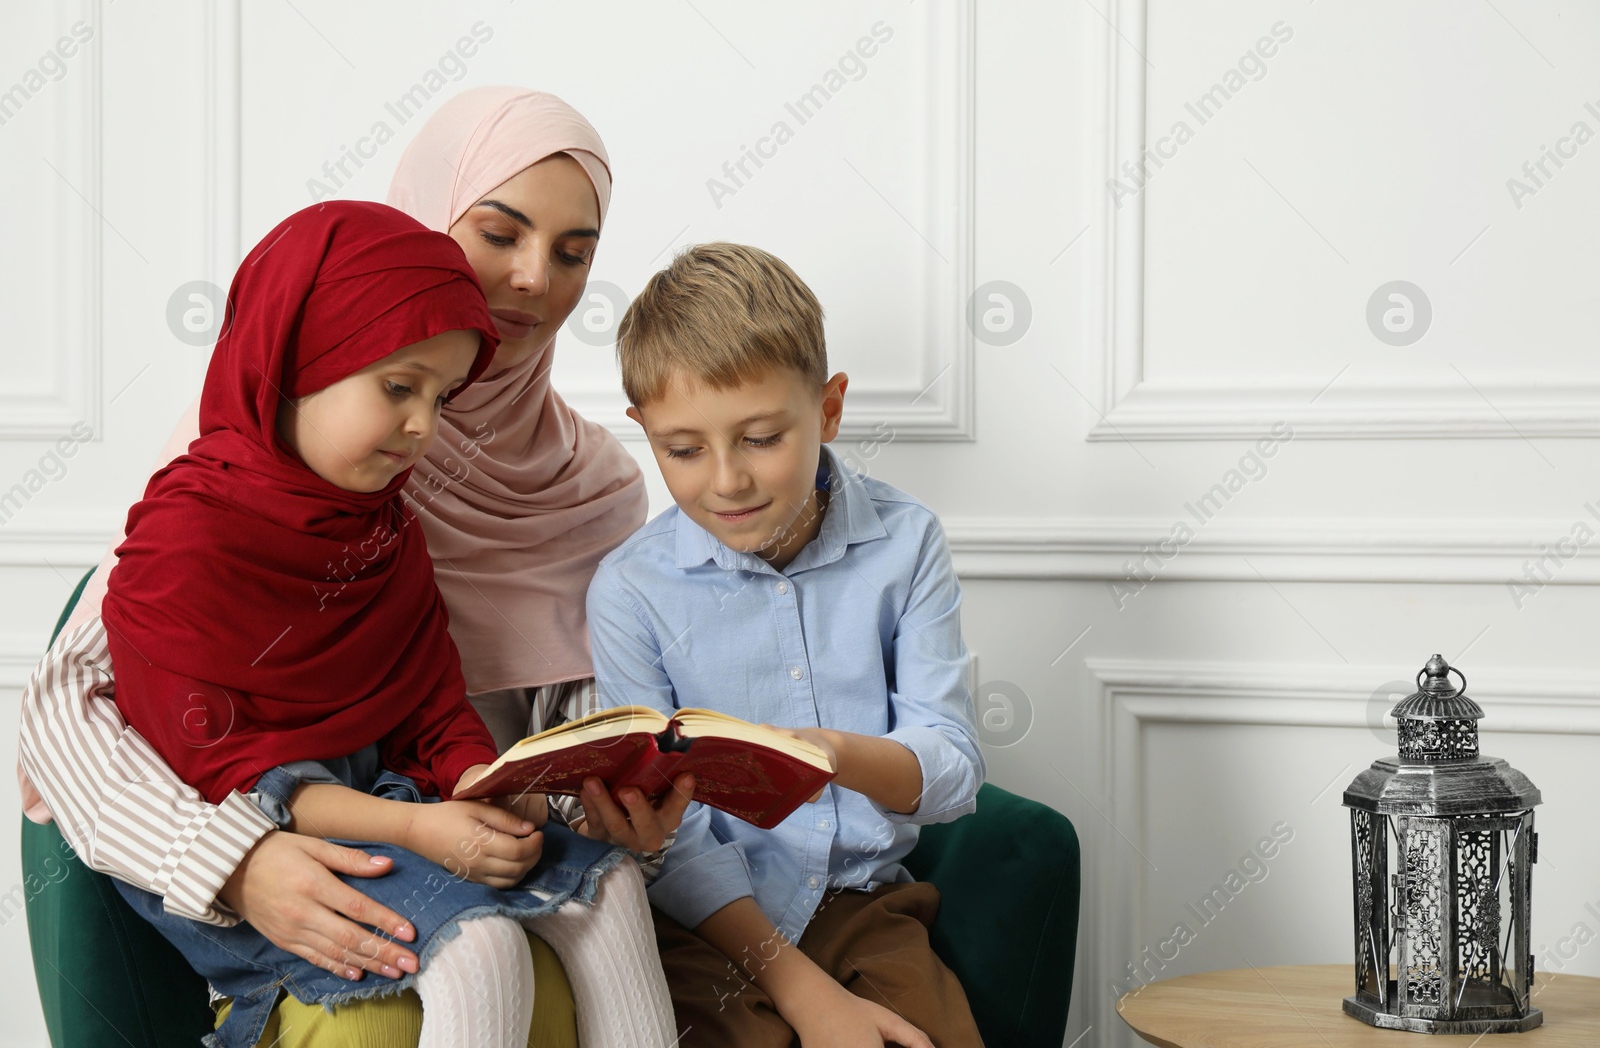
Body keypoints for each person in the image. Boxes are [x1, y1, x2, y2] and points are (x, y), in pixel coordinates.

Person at [17, 88, 688, 1046]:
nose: (536, 280)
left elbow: (516, 728)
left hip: (458, 828)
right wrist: (240, 862)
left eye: (575, 252)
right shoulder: (237, 464)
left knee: (598, 895)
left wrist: (582, 802)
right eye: (498, 233)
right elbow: (73, 705)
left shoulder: (591, 487)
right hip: (295, 863)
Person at [587, 242, 987, 1047]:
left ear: (829, 409)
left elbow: (952, 771)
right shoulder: (630, 590)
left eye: (762, 437)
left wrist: (836, 754)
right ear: (644, 432)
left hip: (864, 904)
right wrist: (801, 991)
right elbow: (675, 841)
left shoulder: (906, 544)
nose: (727, 480)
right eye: (684, 449)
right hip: (710, 921)